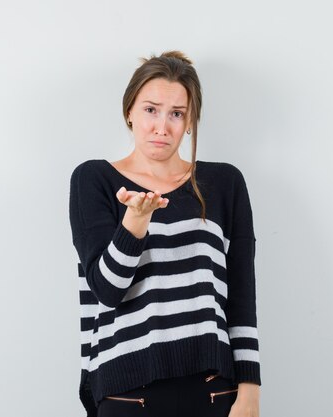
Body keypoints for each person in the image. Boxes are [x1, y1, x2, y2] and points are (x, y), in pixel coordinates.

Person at [68, 51, 261, 417]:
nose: (162, 127)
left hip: (212, 391)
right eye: (151, 110)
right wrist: (134, 223)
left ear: (190, 121)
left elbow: (241, 295)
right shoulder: (94, 180)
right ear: (129, 112)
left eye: (176, 113)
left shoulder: (224, 184)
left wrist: (250, 390)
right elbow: (107, 290)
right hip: (126, 393)